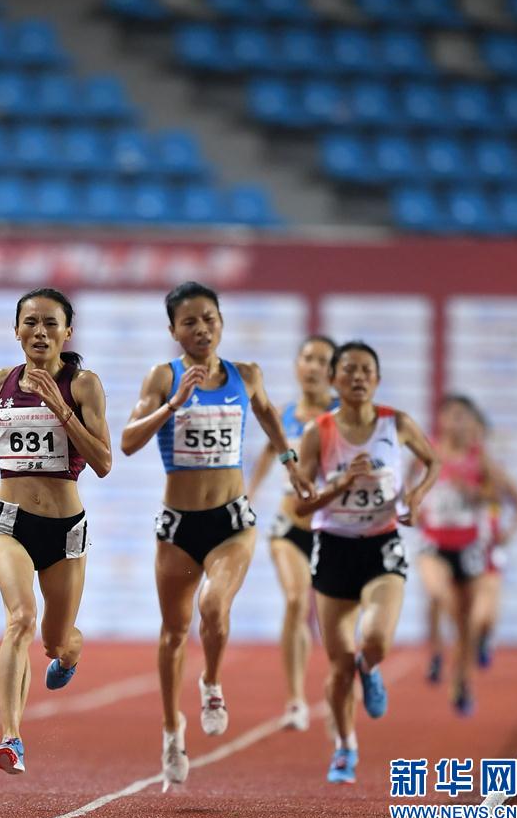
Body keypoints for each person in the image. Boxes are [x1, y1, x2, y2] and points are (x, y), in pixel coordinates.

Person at [120, 281, 314, 791]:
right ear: (173, 331)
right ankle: (171, 730)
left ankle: (210, 681)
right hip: (179, 526)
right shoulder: (163, 377)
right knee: (173, 632)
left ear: (221, 322)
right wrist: (173, 404)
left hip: (231, 521)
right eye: (189, 322)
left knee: (213, 605)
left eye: (209, 318)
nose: (201, 329)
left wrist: (290, 462)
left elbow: (268, 414)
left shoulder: (246, 375)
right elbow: (128, 442)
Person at [0, 288, 112, 774]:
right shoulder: (0, 380)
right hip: (9, 522)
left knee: (56, 641)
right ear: (16, 330)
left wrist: (60, 407)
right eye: (30, 322)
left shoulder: (84, 385)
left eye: (51, 323)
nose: (40, 331)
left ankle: (70, 656)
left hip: (65, 530)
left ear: (67, 332)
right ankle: (11, 739)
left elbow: (103, 463)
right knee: (19, 619)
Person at [295, 341, 439, 784]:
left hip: (382, 545)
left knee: (374, 641)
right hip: (334, 548)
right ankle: (345, 747)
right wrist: (340, 485)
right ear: (333, 379)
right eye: (349, 370)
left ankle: (371, 668)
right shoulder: (318, 431)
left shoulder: (397, 423)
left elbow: (432, 461)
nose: (358, 377)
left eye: (366, 371)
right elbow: (302, 505)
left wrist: (416, 496)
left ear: (377, 379)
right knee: (339, 666)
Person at [248, 335, 337, 731]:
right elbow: (269, 453)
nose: (313, 367)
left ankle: (343, 688)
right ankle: (296, 700)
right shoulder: (283, 414)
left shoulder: (344, 415)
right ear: (297, 365)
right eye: (308, 358)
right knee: (297, 600)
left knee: (335, 618)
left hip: (334, 529)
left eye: (322, 361)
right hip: (290, 526)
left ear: (333, 372)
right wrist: (249, 496)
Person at [416, 395, 517, 712]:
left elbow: (503, 497)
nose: (458, 424)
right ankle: (436, 653)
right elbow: (407, 486)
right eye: (451, 416)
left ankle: (462, 682)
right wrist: (413, 506)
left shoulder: (482, 459)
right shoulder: (428, 452)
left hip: (474, 549)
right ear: (441, 420)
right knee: (438, 595)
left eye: (463, 418)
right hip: (435, 544)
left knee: (473, 622)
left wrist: (476, 494)